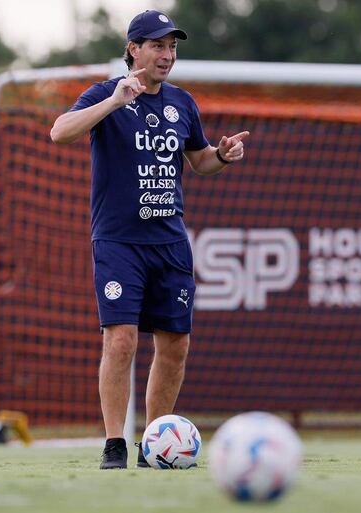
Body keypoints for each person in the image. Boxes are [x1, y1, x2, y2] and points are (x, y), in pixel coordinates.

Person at [50, 9, 249, 469]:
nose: (167, 55)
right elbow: (59, 132)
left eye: (172, 46)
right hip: (119, 242)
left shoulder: (182, 102)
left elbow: (199, 161)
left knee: (175, 344)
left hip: (170, 243)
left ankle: (155, 444)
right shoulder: (107, 94)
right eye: (158, 45)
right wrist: (115, 102)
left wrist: (221, 154)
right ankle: (114, 443)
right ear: (133, 49)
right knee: (120, 340)